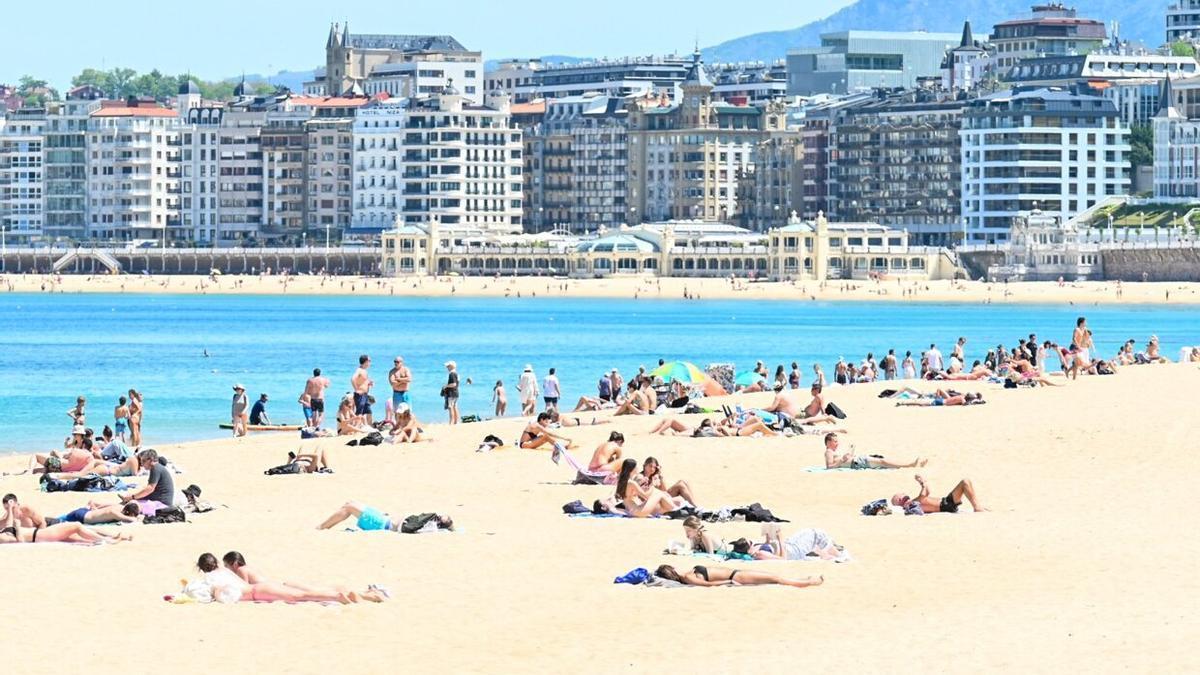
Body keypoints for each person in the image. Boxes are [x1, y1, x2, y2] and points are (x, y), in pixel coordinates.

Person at [192, 553, 378, 604]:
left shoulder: (212, 579)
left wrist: (216, 595)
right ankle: (355, 594)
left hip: (258, 593)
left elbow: (225, 597)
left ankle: (337, 597)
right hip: (265, 587)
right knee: (303, 593)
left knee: (300, 597)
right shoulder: (225, 572)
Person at [613, 459, 688, 518]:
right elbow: (645, 496)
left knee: (661, 497)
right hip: (638, 511)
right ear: (632, 469)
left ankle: (674, 509)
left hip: (632, 510)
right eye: (636, 467)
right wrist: (653, 484)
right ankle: (675, 509)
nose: (637, 468)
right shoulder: (631, 483)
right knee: (658, 494)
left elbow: (629, 494)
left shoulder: (622, 481)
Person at [316, 502, 453, 533]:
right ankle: (323, 527)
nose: (438, 515)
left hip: (381, 523)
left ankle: (321, 528)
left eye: (441, 517)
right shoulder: (429, 523)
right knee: (350, 505)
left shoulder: (429, 525)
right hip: (383, 519)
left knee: (348, 506)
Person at [732, 523, 846, 561]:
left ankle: (832, 552)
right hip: (793, 550)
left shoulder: (756, 550)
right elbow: (783, 559)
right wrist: (780, 539)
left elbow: (767, 544)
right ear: (748, 548)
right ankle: (839, 556)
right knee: (816, 533)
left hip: (789, 544)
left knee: (809, 531)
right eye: (751, 542)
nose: (753, 542)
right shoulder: (760, 554)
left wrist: (768, 534)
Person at [654, 564, 822, 589]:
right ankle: (805, 583)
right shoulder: (688, 578)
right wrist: (728, 581)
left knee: (773, 577)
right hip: (737, 576)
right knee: (775, 578)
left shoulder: (685, 574)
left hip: (737, 573)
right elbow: (707, 585)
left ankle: (802, 580)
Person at [118, 449, 174, 516]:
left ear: (150, 460)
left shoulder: (155, 468)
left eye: (143, 461)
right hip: (159, 501)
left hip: (161, 504)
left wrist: (133, 497)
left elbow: (150, 489)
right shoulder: (157, 468)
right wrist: (133, 496)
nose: (141, 464)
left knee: (130, 506)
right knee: (126, 503)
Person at [891, 474, 988, 513]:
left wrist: (924, 483)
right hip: (945, 505)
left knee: (966, 482)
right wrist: (922, 482)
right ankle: (977, 507)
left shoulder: (913, 502)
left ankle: (977, 506)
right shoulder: (909, 504)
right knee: (965, 482)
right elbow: (923, 495)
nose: (904, 494)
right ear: (899, 501)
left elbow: (927, 492)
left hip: (946, 503)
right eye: (901, 495)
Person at [823, 432, 925, 469]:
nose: (837, 443)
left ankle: (909, 464)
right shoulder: (829, 452)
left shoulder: (833, 452)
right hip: (857, 463)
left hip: (857, 461)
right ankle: (909, 465)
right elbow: (829, 466)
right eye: (835, 442)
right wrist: (842, 460)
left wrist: (850, 452)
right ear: (828, 442)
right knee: (883, 462)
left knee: (883, 461)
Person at [57, 501, 142, 525]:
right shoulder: (114, 513)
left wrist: (95, 509)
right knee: (55, 522)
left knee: (60, 519)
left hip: (84, 512)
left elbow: (92, 502)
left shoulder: (117, 506)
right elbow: (130, 519)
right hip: (81, 517)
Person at [351, 355, 374, 425]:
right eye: (369, 361)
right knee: (359, 413)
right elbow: (352, 379)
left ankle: (370, 427)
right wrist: (356, 389)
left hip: (365, 395)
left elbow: (363, 381)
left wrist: (369, 383)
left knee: (369, 412)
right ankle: (356, 427)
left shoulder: (364, 371)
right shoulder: (359, 370)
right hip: (360, 395)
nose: (370, 363)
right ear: (366, 362)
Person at [895, 390, 984, 407]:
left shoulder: (962, 396)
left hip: (941, 401)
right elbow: (965, 404)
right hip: (941, 402)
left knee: (921, 403)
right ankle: (903, 403)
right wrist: (976, 401)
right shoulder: (962, 399)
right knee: (921, 403)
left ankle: (904, 403)